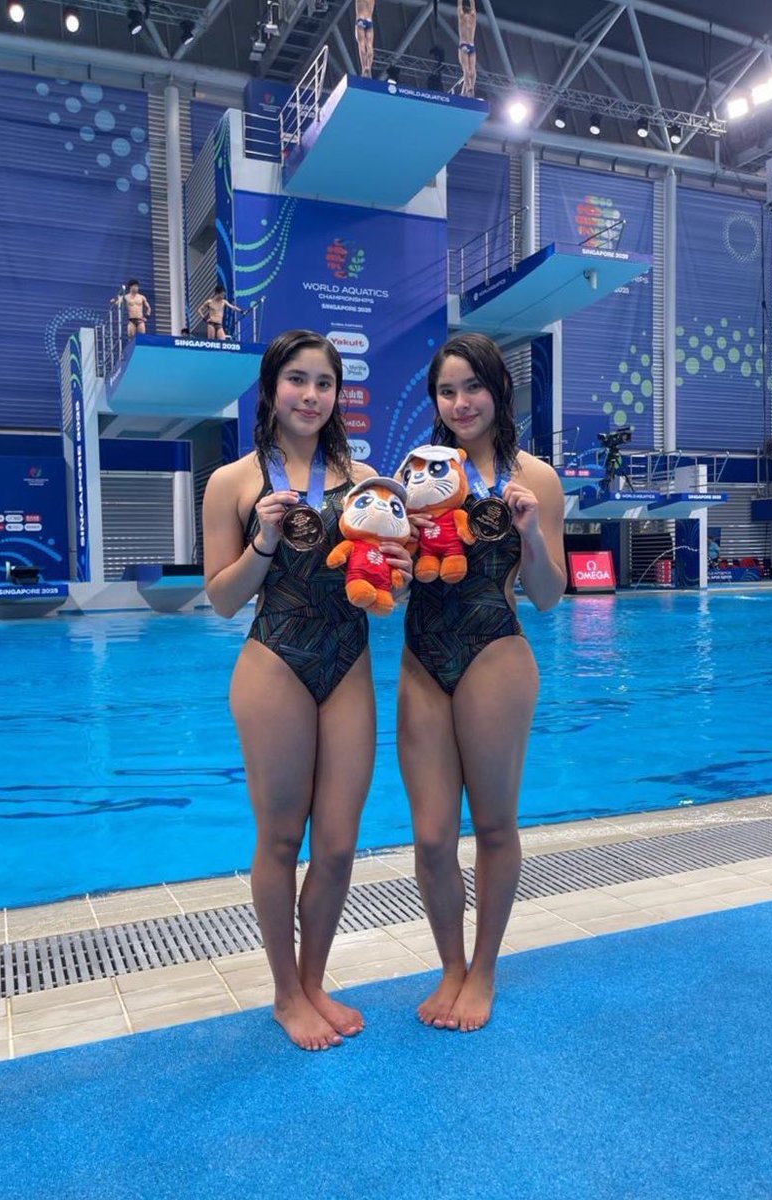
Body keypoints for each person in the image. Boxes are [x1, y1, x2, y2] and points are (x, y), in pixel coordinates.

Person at [202, 329, 412, 1051]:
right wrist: (261, 542)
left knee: (338, 844)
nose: (310, 395)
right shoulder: (232, 482)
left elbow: (383, 586)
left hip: (346, 661)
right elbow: (223, 600)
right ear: (272, 388)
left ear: (337, 396)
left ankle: (314, 978)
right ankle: (285, 993)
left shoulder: (367, 479)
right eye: (297, 380)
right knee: (282, 836)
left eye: (323, 383)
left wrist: (398, 574)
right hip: (274, 663)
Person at [397, 332, 566, 1033]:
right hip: (421, 661)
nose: (460, 402)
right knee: (433, 836)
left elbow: (550, 594)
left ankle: (484, 970)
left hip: (496, 651)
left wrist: (527, 531)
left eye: (472, 387)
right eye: (446, 390)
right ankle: (449, 965)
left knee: (493, 826)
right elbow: (395, 572)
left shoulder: (536, 477)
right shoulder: (417, 472)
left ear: (498, 391)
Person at [457, 0, 477, 98]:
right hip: (471, 45)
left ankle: (468, 87)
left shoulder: (462, 16)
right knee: (472, 69)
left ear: (463, 11)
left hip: (463, 45)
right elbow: (473, 5)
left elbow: (459, 4)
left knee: (465, 69)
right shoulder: (473, 18)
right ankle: (471, 86)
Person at [354, 0, 375, 78]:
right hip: (369, 21)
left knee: (361, 44)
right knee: (369, 46)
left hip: (361, 19)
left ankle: (364, 68)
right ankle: (369, 67)